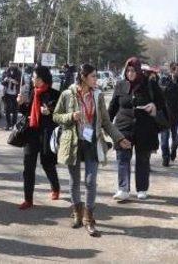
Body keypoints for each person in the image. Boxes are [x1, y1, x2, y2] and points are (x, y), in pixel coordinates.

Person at [53, 63, 130, 237]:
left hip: (92, 143)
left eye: (96, 76)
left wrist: (120, 138)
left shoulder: (98, 95)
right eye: (94, 76)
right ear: (83, 78)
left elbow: (106, 122)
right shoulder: (67, 94)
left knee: (90, 181)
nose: (97, 79)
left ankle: (88, 218)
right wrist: (70, 116)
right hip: (73, 142)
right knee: (74, 181)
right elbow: (56, 116)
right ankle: (76, 213)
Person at [108, 57, 166, 201]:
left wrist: (153, 106)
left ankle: (142, 189)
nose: (130, 73)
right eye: (128, 70)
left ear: (139, 71)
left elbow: (161, 102)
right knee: (122, 158)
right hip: (124, 127)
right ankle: (123, 189)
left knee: (143, 159)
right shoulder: (120, 85)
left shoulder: (149, 84)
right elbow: (113, 106)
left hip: (144, 128)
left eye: (133, 70)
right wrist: (107, 125)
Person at [15, 66, 61, 210]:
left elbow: (60, 115)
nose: (32, 79)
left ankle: (55, 187)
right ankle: (28, 199)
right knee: (28, 167)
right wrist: (21, 103)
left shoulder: (54, 94)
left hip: (47, 134)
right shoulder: (30, 92)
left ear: (43, 79)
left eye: (35, 77)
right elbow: (25, 112)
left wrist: (50, 111)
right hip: (31, 134)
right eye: (33, 77)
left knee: (47, 164)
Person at [158, 62, 178, 167]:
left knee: (176, 139)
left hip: (177, 115)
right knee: (164, 139)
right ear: (172, 70)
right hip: (165, 115)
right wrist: (171, 83)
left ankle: (173, 150)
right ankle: (165, 158)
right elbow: (160, 93)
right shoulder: (164, 80)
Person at [2, 62, 22, 130]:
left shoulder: (19, 72)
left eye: (13, 64)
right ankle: (8, 124)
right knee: (7, 109)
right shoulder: (5, 71)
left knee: (15, 110)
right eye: (10, 64)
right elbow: (2, 82)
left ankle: (14, 124)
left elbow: (21, 82)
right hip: (7, 93)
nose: (11, 65)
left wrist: (14, 81)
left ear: (15, 65)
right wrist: (5, 80)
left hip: (15, 94)